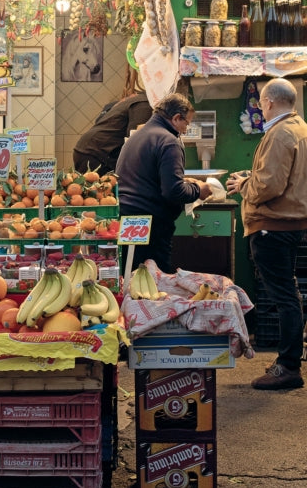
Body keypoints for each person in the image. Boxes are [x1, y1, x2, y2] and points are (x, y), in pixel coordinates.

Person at [226, 78, 307, 390]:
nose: (260, 106)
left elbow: (268, 187)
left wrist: (242, 185)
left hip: (273, 226)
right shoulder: (299, 128)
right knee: (290, 294)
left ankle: (288, 367)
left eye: (261, 101)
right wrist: (253, 177)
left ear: (270, 102)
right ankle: (287, 362)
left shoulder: (280, 133)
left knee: (285, 297)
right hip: (291, 224)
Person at [115, 92, 212, 273]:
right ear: (176, 118)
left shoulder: (137, 137)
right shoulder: (169, 142)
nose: (185, 129)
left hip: (127, 219)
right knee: (153, 282)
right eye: (186, 123)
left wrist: (184, 182)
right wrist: (199, 190)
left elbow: (148, 178)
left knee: (130, 276)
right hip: (152, 225)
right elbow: (173, 192)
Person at [73, 91, 152, 175]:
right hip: (96, 153)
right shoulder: (144, 104)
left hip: (87, 149)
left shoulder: (137, 99)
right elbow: (135, 141)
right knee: (102, 186)